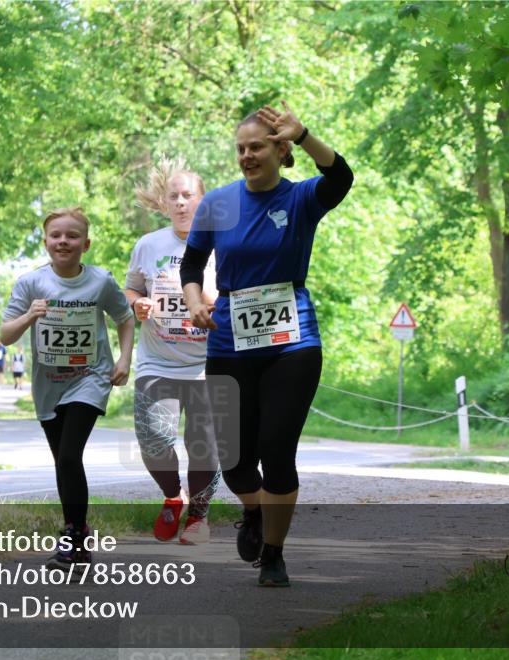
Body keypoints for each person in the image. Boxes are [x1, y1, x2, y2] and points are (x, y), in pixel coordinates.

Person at [180, 102, 353, 586]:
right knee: (234, 458)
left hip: (291, 342)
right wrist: (195, 300)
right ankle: (253, 511)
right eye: (240, 149)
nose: (247, 156)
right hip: (229, 343)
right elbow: (191, 266)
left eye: (256, 147)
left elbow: (341, 177)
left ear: (280, 150)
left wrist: (306, 135)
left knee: (277, 450)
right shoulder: (217, 203)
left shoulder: (301, 200)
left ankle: (273, 555)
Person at [0, 207, 134, 568]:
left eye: (72, 236)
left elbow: (125, 317)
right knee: (63, 462)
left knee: (71, 456)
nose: (63, 241)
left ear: (85, 244)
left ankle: (73, 539)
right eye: (56, 235)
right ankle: (78, 531)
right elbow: (5, 335)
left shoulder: (101, 281)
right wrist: (29, 316)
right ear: (45, 242)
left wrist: (123, 361)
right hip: (49, 385)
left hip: (90, 378)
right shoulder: (31, 284)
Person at [124, 157, 221, 545]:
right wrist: (137, 304)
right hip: (158, 359)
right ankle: (172, 495)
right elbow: (131, 288)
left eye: (188, 195)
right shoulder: (148, 245)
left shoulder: (222, 244)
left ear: (202, 201)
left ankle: (198, 517)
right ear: (165, 204)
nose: (180, 203)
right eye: (173, 197)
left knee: (205, 444)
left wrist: (206, 300)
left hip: (208, 363)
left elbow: (237, 298)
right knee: (154, 439)